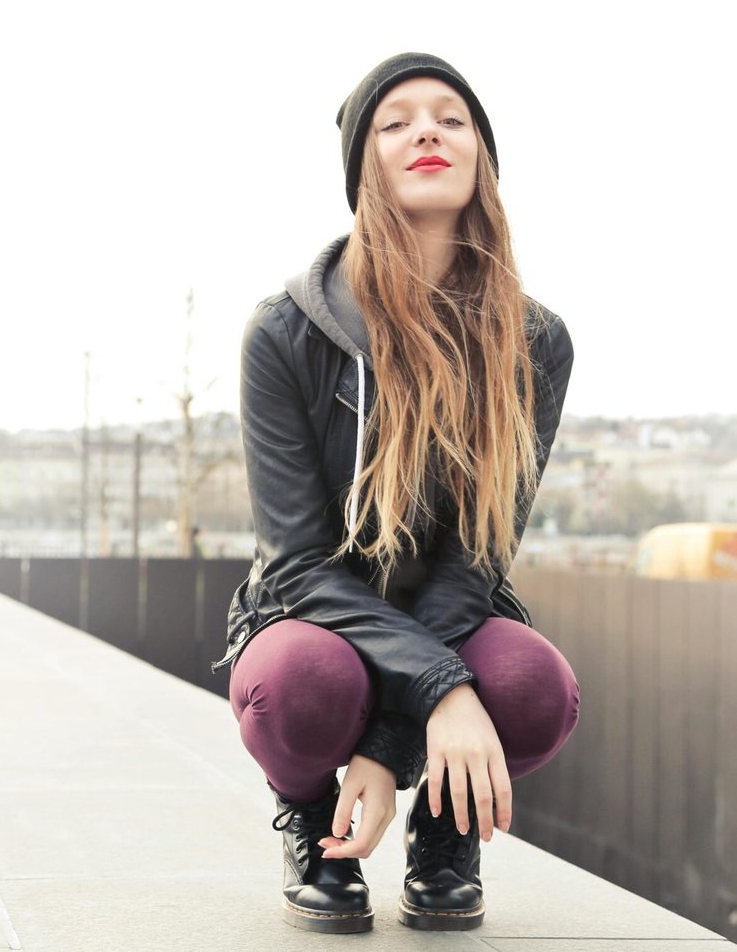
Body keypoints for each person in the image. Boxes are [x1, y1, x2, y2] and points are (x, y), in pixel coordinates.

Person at [218, 52, 580, 933]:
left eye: (451, 118)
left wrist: (389, 748)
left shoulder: (534, 341)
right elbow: (298, 564)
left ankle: (446, 826)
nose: (427, 130)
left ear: (480, 160)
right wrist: (444, 692)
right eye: (397, 121)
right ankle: (310, 818)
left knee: (536, 687)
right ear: (364, 167)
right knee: (297, 683)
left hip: (448, 611)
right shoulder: (284, 332)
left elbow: (478, 558)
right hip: (316, 617)